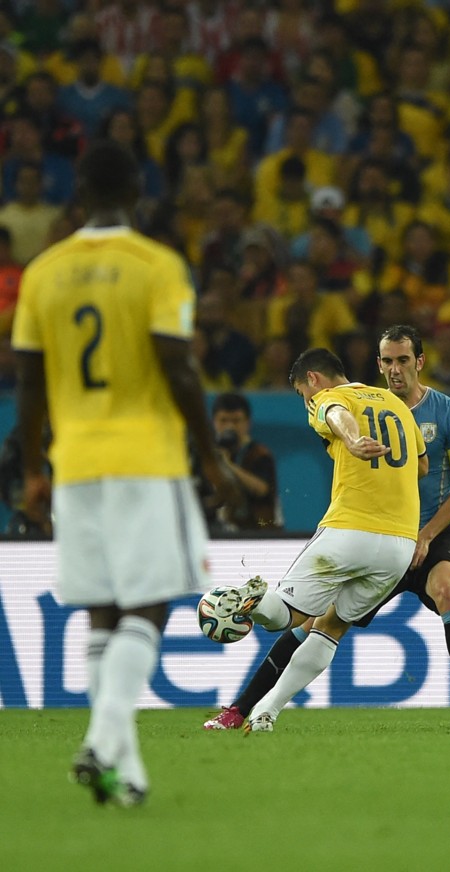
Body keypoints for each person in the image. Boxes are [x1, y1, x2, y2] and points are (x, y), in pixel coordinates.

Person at [13, 140, 241, 806]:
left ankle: (125, 769)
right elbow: (178, 363)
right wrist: (210, 453)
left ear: (77, 195)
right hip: (146, 458)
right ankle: (101, 736)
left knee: (104, 614)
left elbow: (27, 381)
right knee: (147, 604)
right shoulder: (157, 265)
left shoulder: (43, 272)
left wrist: (33, 468)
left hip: (75, 462)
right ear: (138, 194)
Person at [205, 326, 450, 730]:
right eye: (387, 361)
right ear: (378, 364)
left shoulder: (430, 409)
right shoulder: (391, 407)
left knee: (291, 613)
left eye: (403, 360)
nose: (394, 369)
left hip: (417, 530)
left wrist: (356, 442)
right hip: (396, 542)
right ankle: (254, 710)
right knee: (323, 626)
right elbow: (422, 465)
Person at [206, 391, 280, 531]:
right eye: (223, 421)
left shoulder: (260, 454)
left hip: (258, 531)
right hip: (218, 530)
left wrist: (229, 466)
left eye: (236, 421)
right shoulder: (208, 455)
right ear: (214, 422)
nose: (230, 427)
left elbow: (262, 489)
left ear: (247, 422)